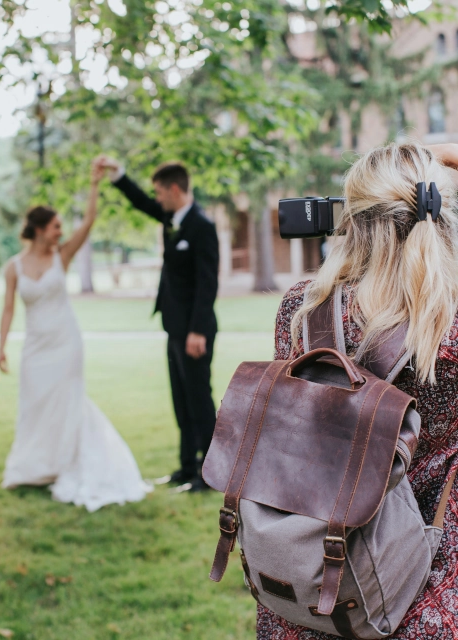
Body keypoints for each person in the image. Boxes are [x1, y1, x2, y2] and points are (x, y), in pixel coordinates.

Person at [259, 142, 458, 639]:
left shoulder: (301, 311)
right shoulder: (447, 323)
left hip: (319, 564)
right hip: (429, 571)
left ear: (351, 221)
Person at [0, 161, 152, 512]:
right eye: (54, 227)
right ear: (38, 229)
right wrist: (2, 346)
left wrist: (94, 184)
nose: (60, 232)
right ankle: (34, 466)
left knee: (67, 401)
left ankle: (65, 462)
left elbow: (88, 222)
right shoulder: (14, 267)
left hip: (66, 342)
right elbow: (8, 309)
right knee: (35, 403)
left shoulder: (62, 256)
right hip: (36, 346)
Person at [96, 156, 219, 492]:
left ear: (175, 189)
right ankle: (185, 467)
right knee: (180, 399)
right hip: (174, 326)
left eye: (160, 192)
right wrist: (118, 175)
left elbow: (208, 283)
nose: (157, 199)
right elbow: (141, 203)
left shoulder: (202, 227)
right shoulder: (171, 218)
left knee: (198, 400)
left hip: (195, 331)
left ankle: (208, 474)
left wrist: (196, 330)